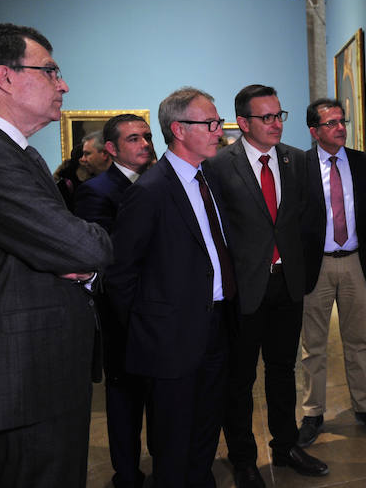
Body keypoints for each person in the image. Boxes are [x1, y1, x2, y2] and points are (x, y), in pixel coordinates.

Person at [0, 23, 112, 487]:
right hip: (25, 381)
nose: (63, 84)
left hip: (44, 372)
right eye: (50, 71)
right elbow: (86, 246)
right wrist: (84, 252)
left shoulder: (21, 153)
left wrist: (75, 261)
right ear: (5, 77)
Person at [106, 88, 236, 488]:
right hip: (170, 339)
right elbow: (120, 274)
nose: (219, 130)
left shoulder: (209, 176)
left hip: (216, 324)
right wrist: (150, 333)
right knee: (173, 437)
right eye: (210, 123)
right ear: (179, 129)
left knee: (206, 426)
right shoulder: (150, 191)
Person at [208, 85, 327, 487]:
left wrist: (304, 273)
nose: (276, 124)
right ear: (243, 123)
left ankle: (286, 445)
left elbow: (310, 221)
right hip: (244, 290)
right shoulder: (220, 165)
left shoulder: (297, 160)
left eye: (280, 115)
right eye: (267, 117)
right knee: (239, 378)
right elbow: (215, 231)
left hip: (287, 285)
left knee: (282, 370)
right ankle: (243, 458)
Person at [298, 98, 366, 446]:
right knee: (313, 346)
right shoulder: (299, 166)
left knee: (358, 341)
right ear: (314, 131)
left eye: (342, 121)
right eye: (331, 123)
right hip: (315, 265)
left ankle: (365, 406)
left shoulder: (363, 163)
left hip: (354, 261)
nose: (340, 127)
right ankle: (312, 412)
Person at [74, 113, 154, 488]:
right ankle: (127, 472)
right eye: (134, 139)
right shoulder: (97, 191)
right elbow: (106, 254)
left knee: (160, 392)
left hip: (160, 309)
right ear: (112, 148)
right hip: (121, 311)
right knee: (124, 397)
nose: (144, 145)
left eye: (147, 137)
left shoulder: (159, 182)